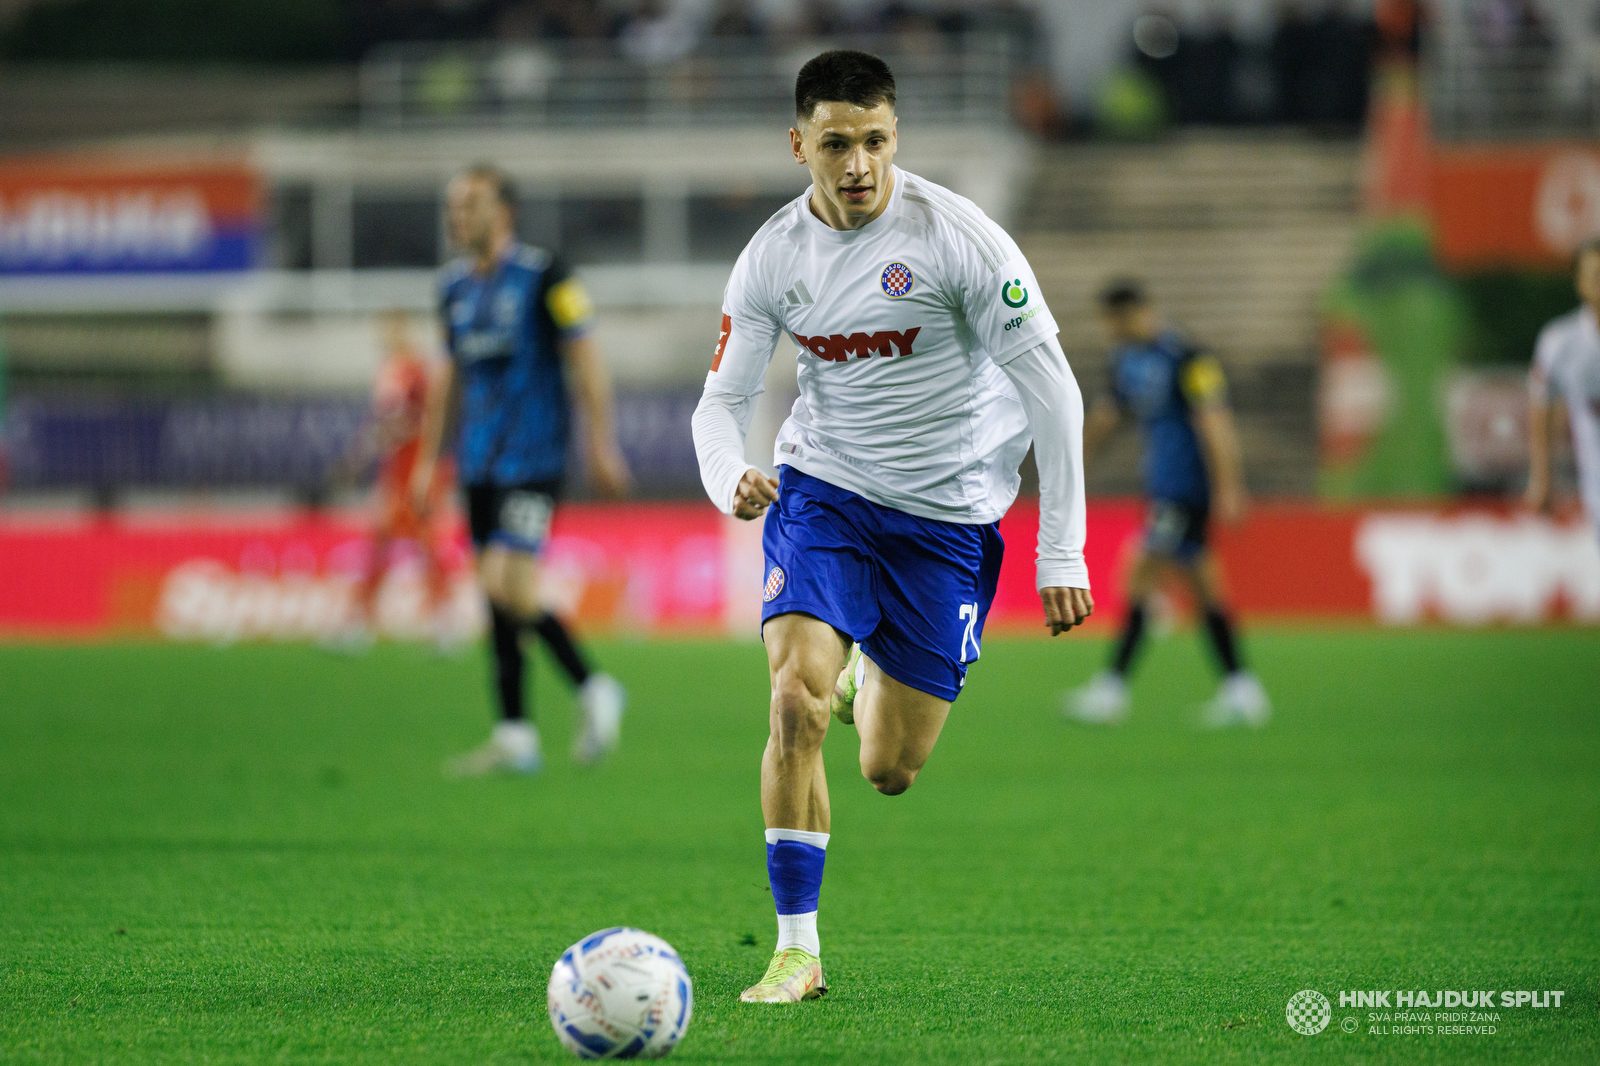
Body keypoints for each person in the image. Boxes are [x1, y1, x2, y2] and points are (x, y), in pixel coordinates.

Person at [691, 50, 1094, 1004]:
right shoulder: (774, 257)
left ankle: (870, 670)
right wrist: (729, 479)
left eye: (875, 140)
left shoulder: (961, 242)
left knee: (888, 767)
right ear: (800, 146)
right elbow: (721, 402)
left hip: (947, 517)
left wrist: (1061, 549)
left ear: (894, 136)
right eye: (837, 144)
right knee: (792, 702)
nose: (860, 163)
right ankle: (798, 950)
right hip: (823, 491)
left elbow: (1057, 397)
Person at [413, 163, 632, 775]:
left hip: (534, 458)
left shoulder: (546, 276)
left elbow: (585, 357)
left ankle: (593, 688)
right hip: (478, 463)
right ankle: (515, 732)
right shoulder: (452, 288)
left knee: (506, 581)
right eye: (454, 205)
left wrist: (601, 441)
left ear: (503, 211)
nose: (459, 215)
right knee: (497, 596)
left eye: (472, 203)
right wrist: (431, 459)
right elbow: (448, 379)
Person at [1064, 279, 1269, 728]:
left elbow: (1215, 423)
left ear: (1138, 312)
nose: (1112, 330)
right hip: (1161, 487)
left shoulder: (1188, 359)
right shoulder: (1126, 361)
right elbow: (1107, 417)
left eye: (1116, 320)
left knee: (1138, 571)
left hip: (1185, 488)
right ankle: (1241, 688)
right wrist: (1072, 465)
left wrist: (1229, 486)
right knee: (1203, 588)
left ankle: (1112, 689)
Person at [331, 310, 457, 648]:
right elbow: (386, 423)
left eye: (390, 329)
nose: (384, 336)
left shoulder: (416, 370)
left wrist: (366, 451)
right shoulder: (392, 370)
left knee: (425, 539)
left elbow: (421, 419)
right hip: (397, 467)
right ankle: (360, 622)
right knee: (384, 539)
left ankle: (444, 619)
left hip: (421, 463)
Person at [1526, 238, 1600, 543]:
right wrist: (1543, 477)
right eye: (1595, 275)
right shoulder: (1561, 343)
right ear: (1580, 282)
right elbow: (1541, 404)